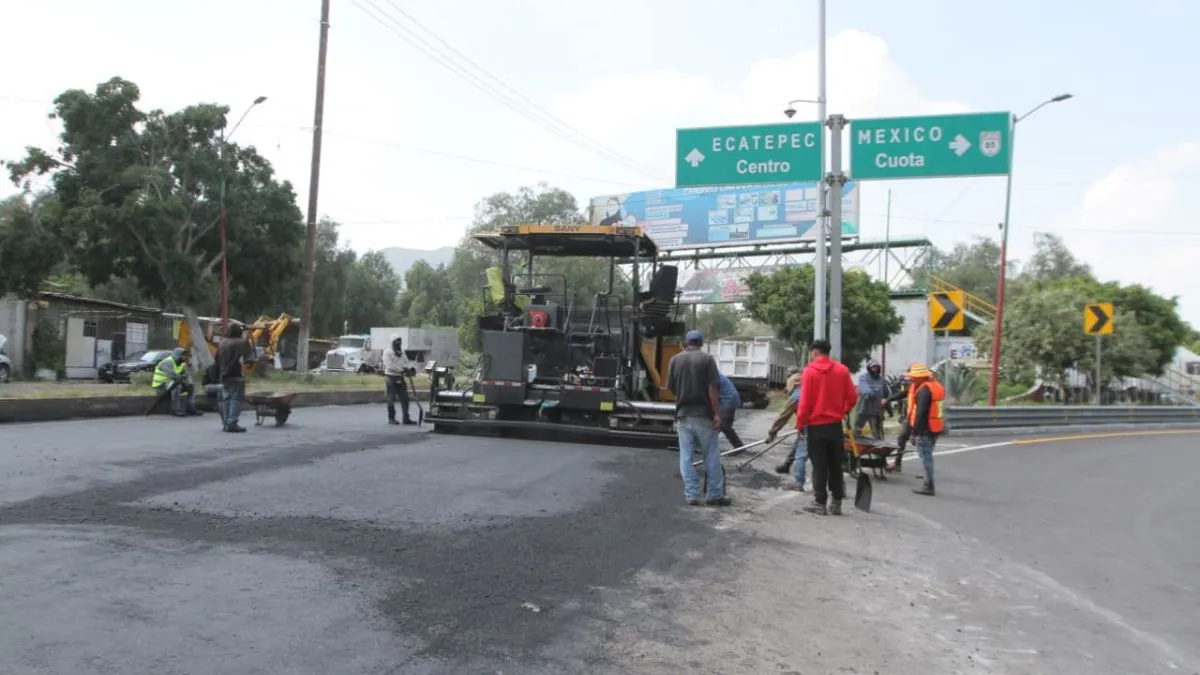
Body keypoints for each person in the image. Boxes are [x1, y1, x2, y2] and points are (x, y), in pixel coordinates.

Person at [794, 339, 857, 516]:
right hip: (835, 426)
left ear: (814, 352)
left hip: (816, 427)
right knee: (835, 465)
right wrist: (842, 411)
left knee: (819, 465)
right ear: (828, 352)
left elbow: (804, 403)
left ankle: (820, 503)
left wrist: (800, 425)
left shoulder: (809, 371)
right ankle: (836, 503)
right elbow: (852, 397)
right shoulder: (842, 370)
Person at [666, 330, 728, 507]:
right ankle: (714, 495)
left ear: (686, 342)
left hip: (683, 415)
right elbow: (712, 389)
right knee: (711, 455)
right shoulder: (707, 359)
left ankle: (692, 494)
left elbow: (671, 388)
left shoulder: (675, 360)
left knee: (686, 456)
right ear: (701, 343)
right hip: (704, 415)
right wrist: (717, 413)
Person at [905, 364, 946, 496]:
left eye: (913, 377)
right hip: (936, 426)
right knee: (928, 455)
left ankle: (928, 485)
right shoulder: (937, 386)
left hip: (925, 428)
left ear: (920, 377)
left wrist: (914, 433)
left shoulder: (924, 390)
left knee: (926, 457)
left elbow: (920, 413)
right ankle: (928, 483)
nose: (911, 379)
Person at [767, 380, 807, 491]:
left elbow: (784, 417)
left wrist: (773, 432)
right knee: (798, 443)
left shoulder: (796, 395)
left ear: (793, 385)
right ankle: (787, 465)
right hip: (823, 424)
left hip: (809, 426)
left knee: (801, 455)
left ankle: (798, 483)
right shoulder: (810, 389)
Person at [215, 323, 253, 433]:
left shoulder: (222, 342)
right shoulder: (242, 342)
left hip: (223, 374)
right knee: (235, 399)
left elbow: (216, 359)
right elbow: (250, 359)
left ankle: (226, 422)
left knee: (226, 399)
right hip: (236, 374)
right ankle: (232, 423)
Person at [151, 348, 200, 416]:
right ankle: (175, 410)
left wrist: (189, 383)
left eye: (186, 356)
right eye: (184, 355)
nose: (186, 357)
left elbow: (187, 376)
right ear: (178, 355)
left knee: (191, 386)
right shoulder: (168, 362)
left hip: (171, 385)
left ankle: (190, 408)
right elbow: (172, 376)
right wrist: (182, 379)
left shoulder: (182, 364)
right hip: (161, 387)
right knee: (177, 385)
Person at [383, 334, 416, 425]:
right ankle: (391, 418)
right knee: (391, 398)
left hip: (400, 377)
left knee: (405, 398)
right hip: (391, 377)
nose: (398, 344)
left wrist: (409, 369)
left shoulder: (402, 352)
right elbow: (389, 365)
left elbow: (406, 362)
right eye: (396, 342)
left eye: (399, 342)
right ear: (392, 342)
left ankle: (406, 418)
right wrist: (401, 369)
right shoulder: (388, 352)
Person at [854, 360, 889, 439]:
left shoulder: (882, 380)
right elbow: (865, 390)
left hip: (876, 410)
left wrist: (888, 408)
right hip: (863, 409)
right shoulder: (863, 378)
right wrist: (872, 394)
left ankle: (879, 443)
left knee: (877, 433)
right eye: (873, 367)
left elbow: (886, 394)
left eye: (877, 367)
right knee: (857, 429)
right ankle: (857, 443)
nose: (875, 368)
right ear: (869, 368)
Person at [716, 372, 744, 448]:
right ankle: (705, 445)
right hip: (729, 399)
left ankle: (739, 446)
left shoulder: (712, 376)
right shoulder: (715, 374)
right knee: (721, 425)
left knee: (724, 425)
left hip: (728, 400)